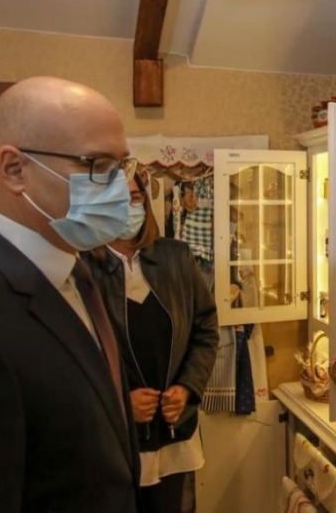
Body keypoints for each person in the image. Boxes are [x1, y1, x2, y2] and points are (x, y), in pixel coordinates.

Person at [0, 77, 142, 512]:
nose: (118, 189)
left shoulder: (80, 273)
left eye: (121, 167)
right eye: (97, 165)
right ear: (15, 169)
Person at [82, 170, 218, 513]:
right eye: (116, 199)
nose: (129, 206)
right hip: (117, 437)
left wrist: (187, 388)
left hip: (175, 431)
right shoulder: (82, 269)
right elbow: (73, 359)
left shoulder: (176, 257)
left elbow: (205, 329)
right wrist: (119, 404)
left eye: (135, 197)